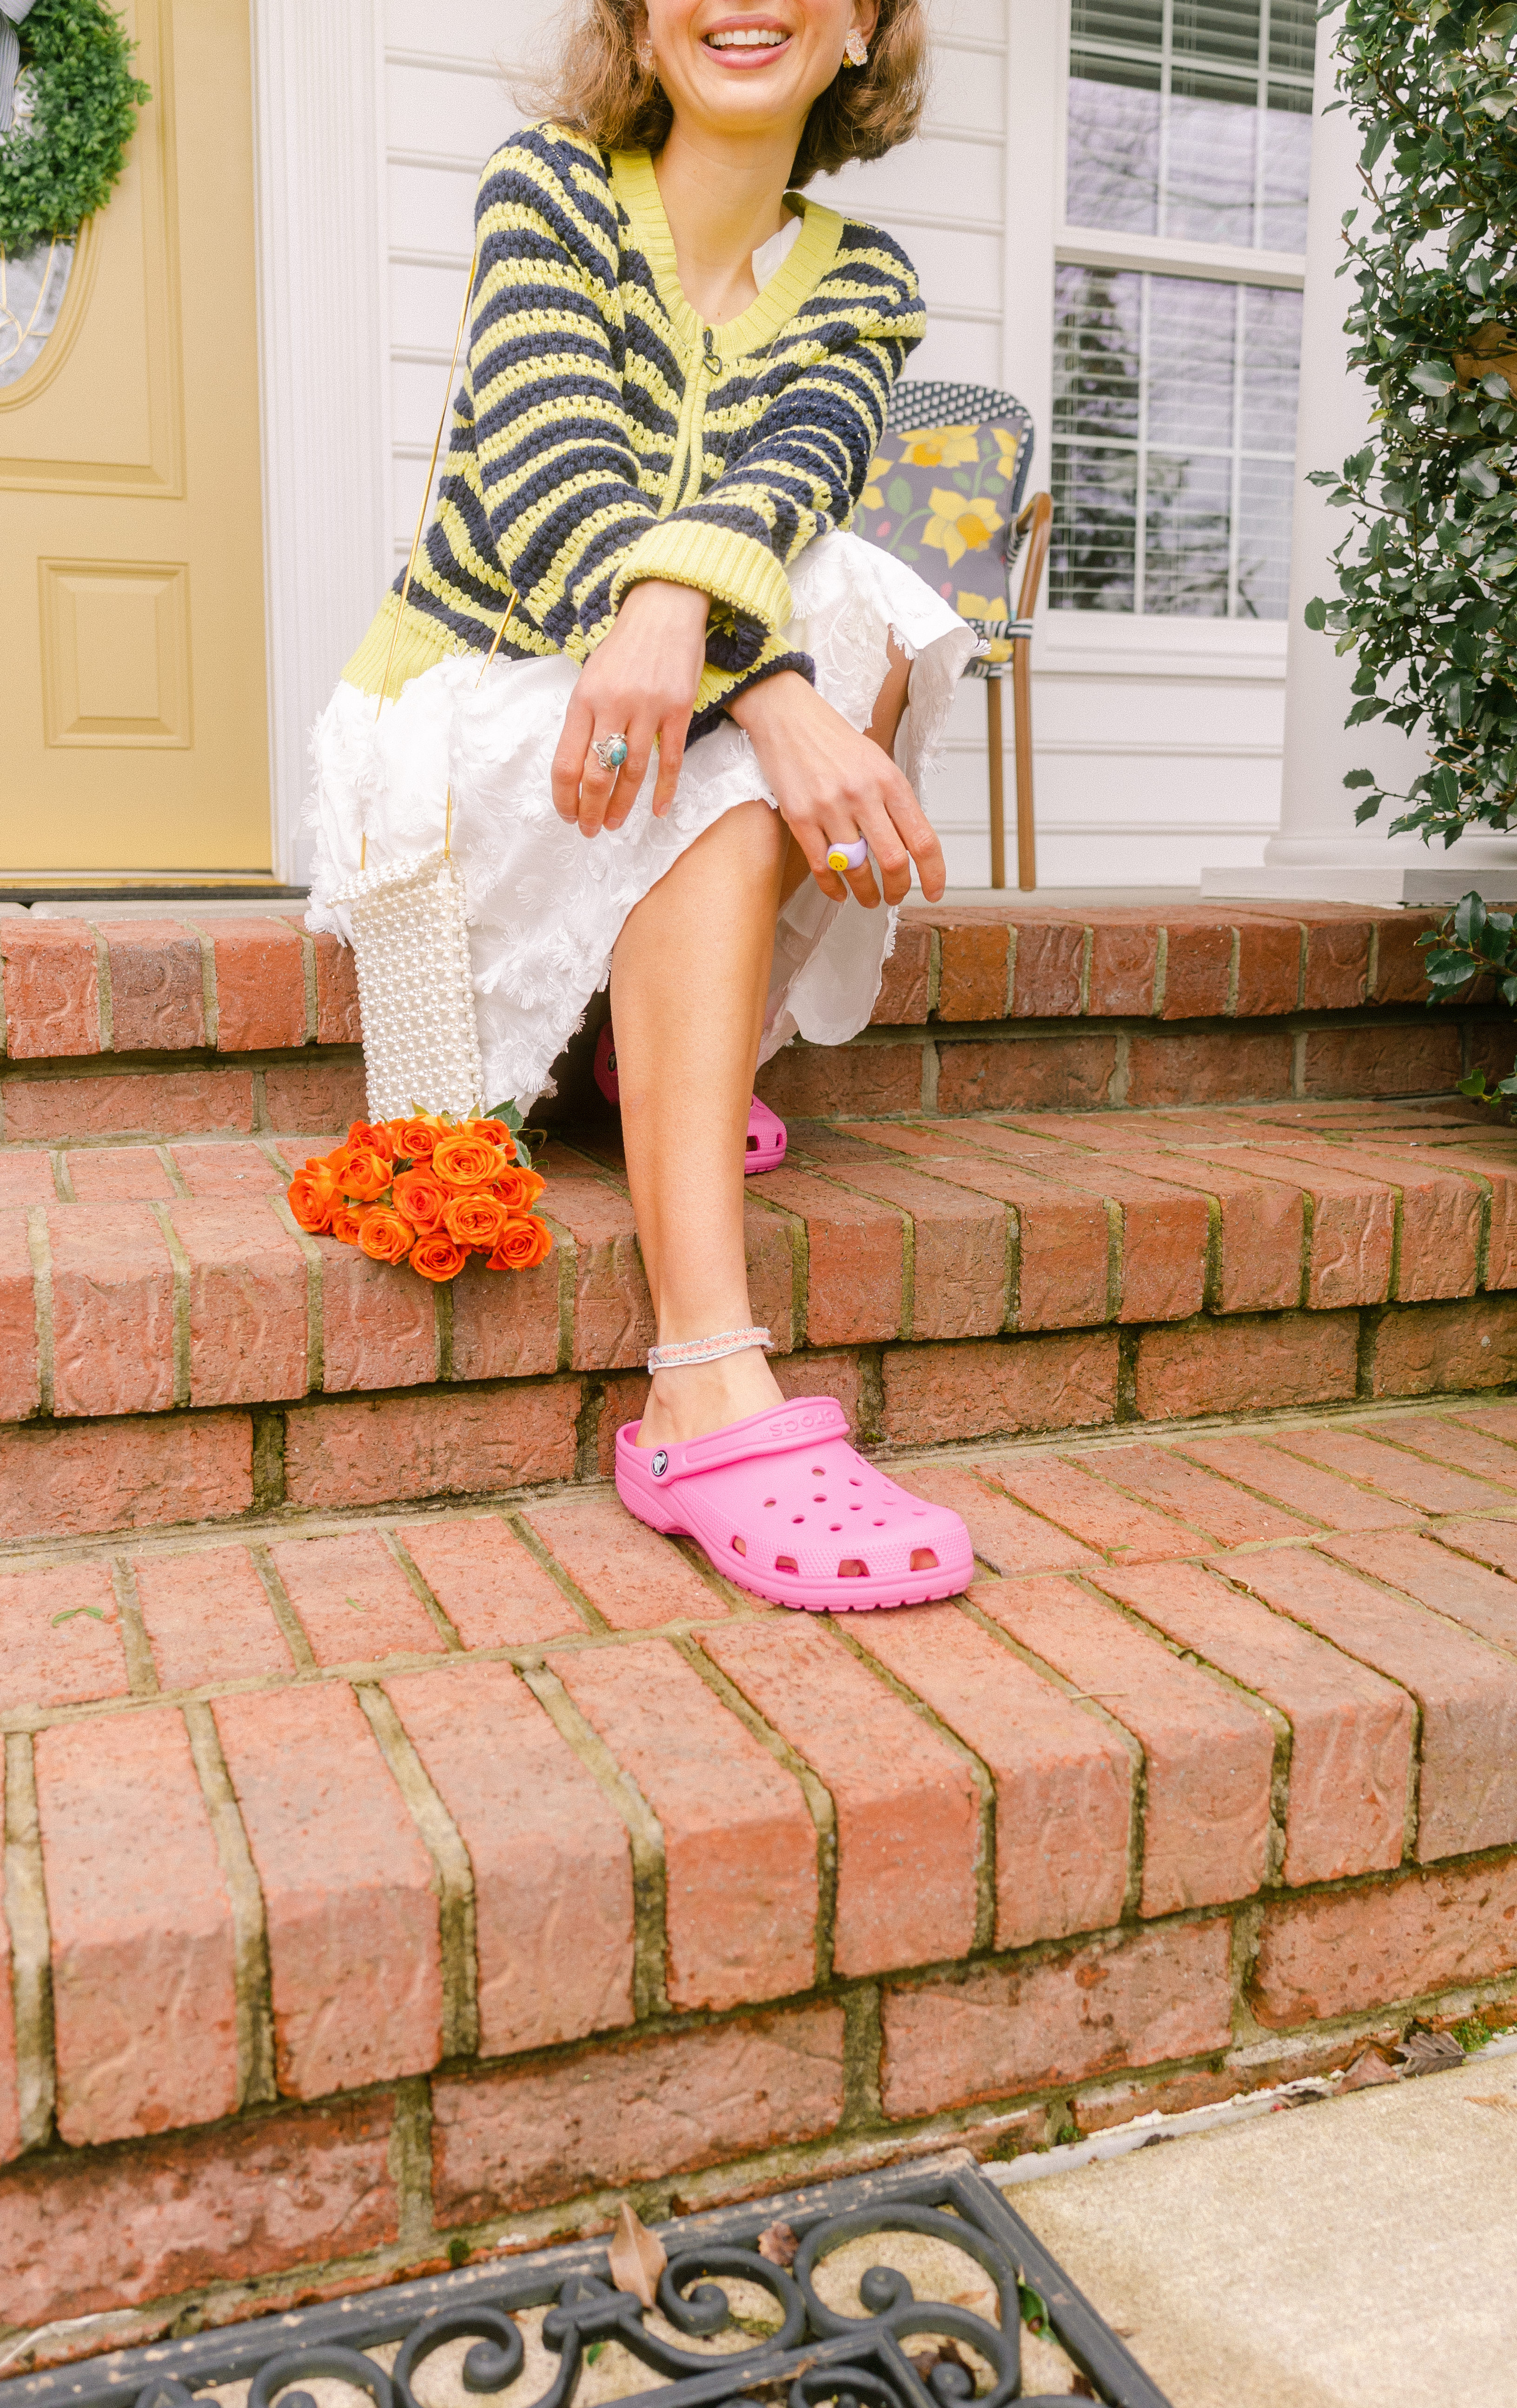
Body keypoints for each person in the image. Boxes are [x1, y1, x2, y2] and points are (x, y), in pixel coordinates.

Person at [306, 0, 974, 1613]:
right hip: (467, 702)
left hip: (649, 715)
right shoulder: (547, 187)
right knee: (776, 705)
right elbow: (548, 495)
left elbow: (787, 479)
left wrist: (730, 656)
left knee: (862, 585)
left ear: (865, 29)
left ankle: (658, 1034)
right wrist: (768, 686)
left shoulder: (865, 281)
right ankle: (700, 1376)